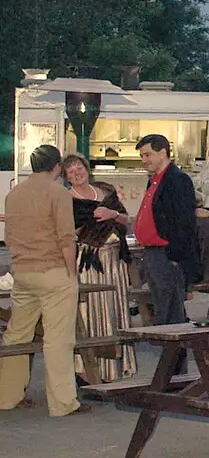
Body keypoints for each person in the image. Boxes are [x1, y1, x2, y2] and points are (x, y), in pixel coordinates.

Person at [0, 145, 89, 417]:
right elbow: (65, 237)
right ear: (57, 166)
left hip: (23, 272)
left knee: (17, 334)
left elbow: (10, 234)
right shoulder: (59, 193)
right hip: (53, 271)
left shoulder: (14, 194)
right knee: (58, 339)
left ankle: (7, 396)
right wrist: (71, 273)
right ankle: (62, 403)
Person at [60, 153, 136, 382]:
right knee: (93, 312)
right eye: (71, 171)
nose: (77, 172)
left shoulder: (105, 190)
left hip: (115, 260)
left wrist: (112, 214)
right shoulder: (66, 200)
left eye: (79, 167)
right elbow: (65, 232)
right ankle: (91, 369)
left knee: (116, 309)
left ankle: (118, 367)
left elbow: (127, 220)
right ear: (66, 177)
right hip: (90, 261)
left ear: (86, 168)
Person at [133, 134, 201, 338]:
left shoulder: (177, 180)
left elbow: (184, 220)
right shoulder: (155, 180)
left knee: (170, 311)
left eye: (148, 155)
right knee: (162, 308)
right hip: (154, 251)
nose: (144, 160)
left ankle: (174, 363)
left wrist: (175, 256)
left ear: (163, 152)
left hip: (166, 252)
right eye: (142, 156)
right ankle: (170, 362)